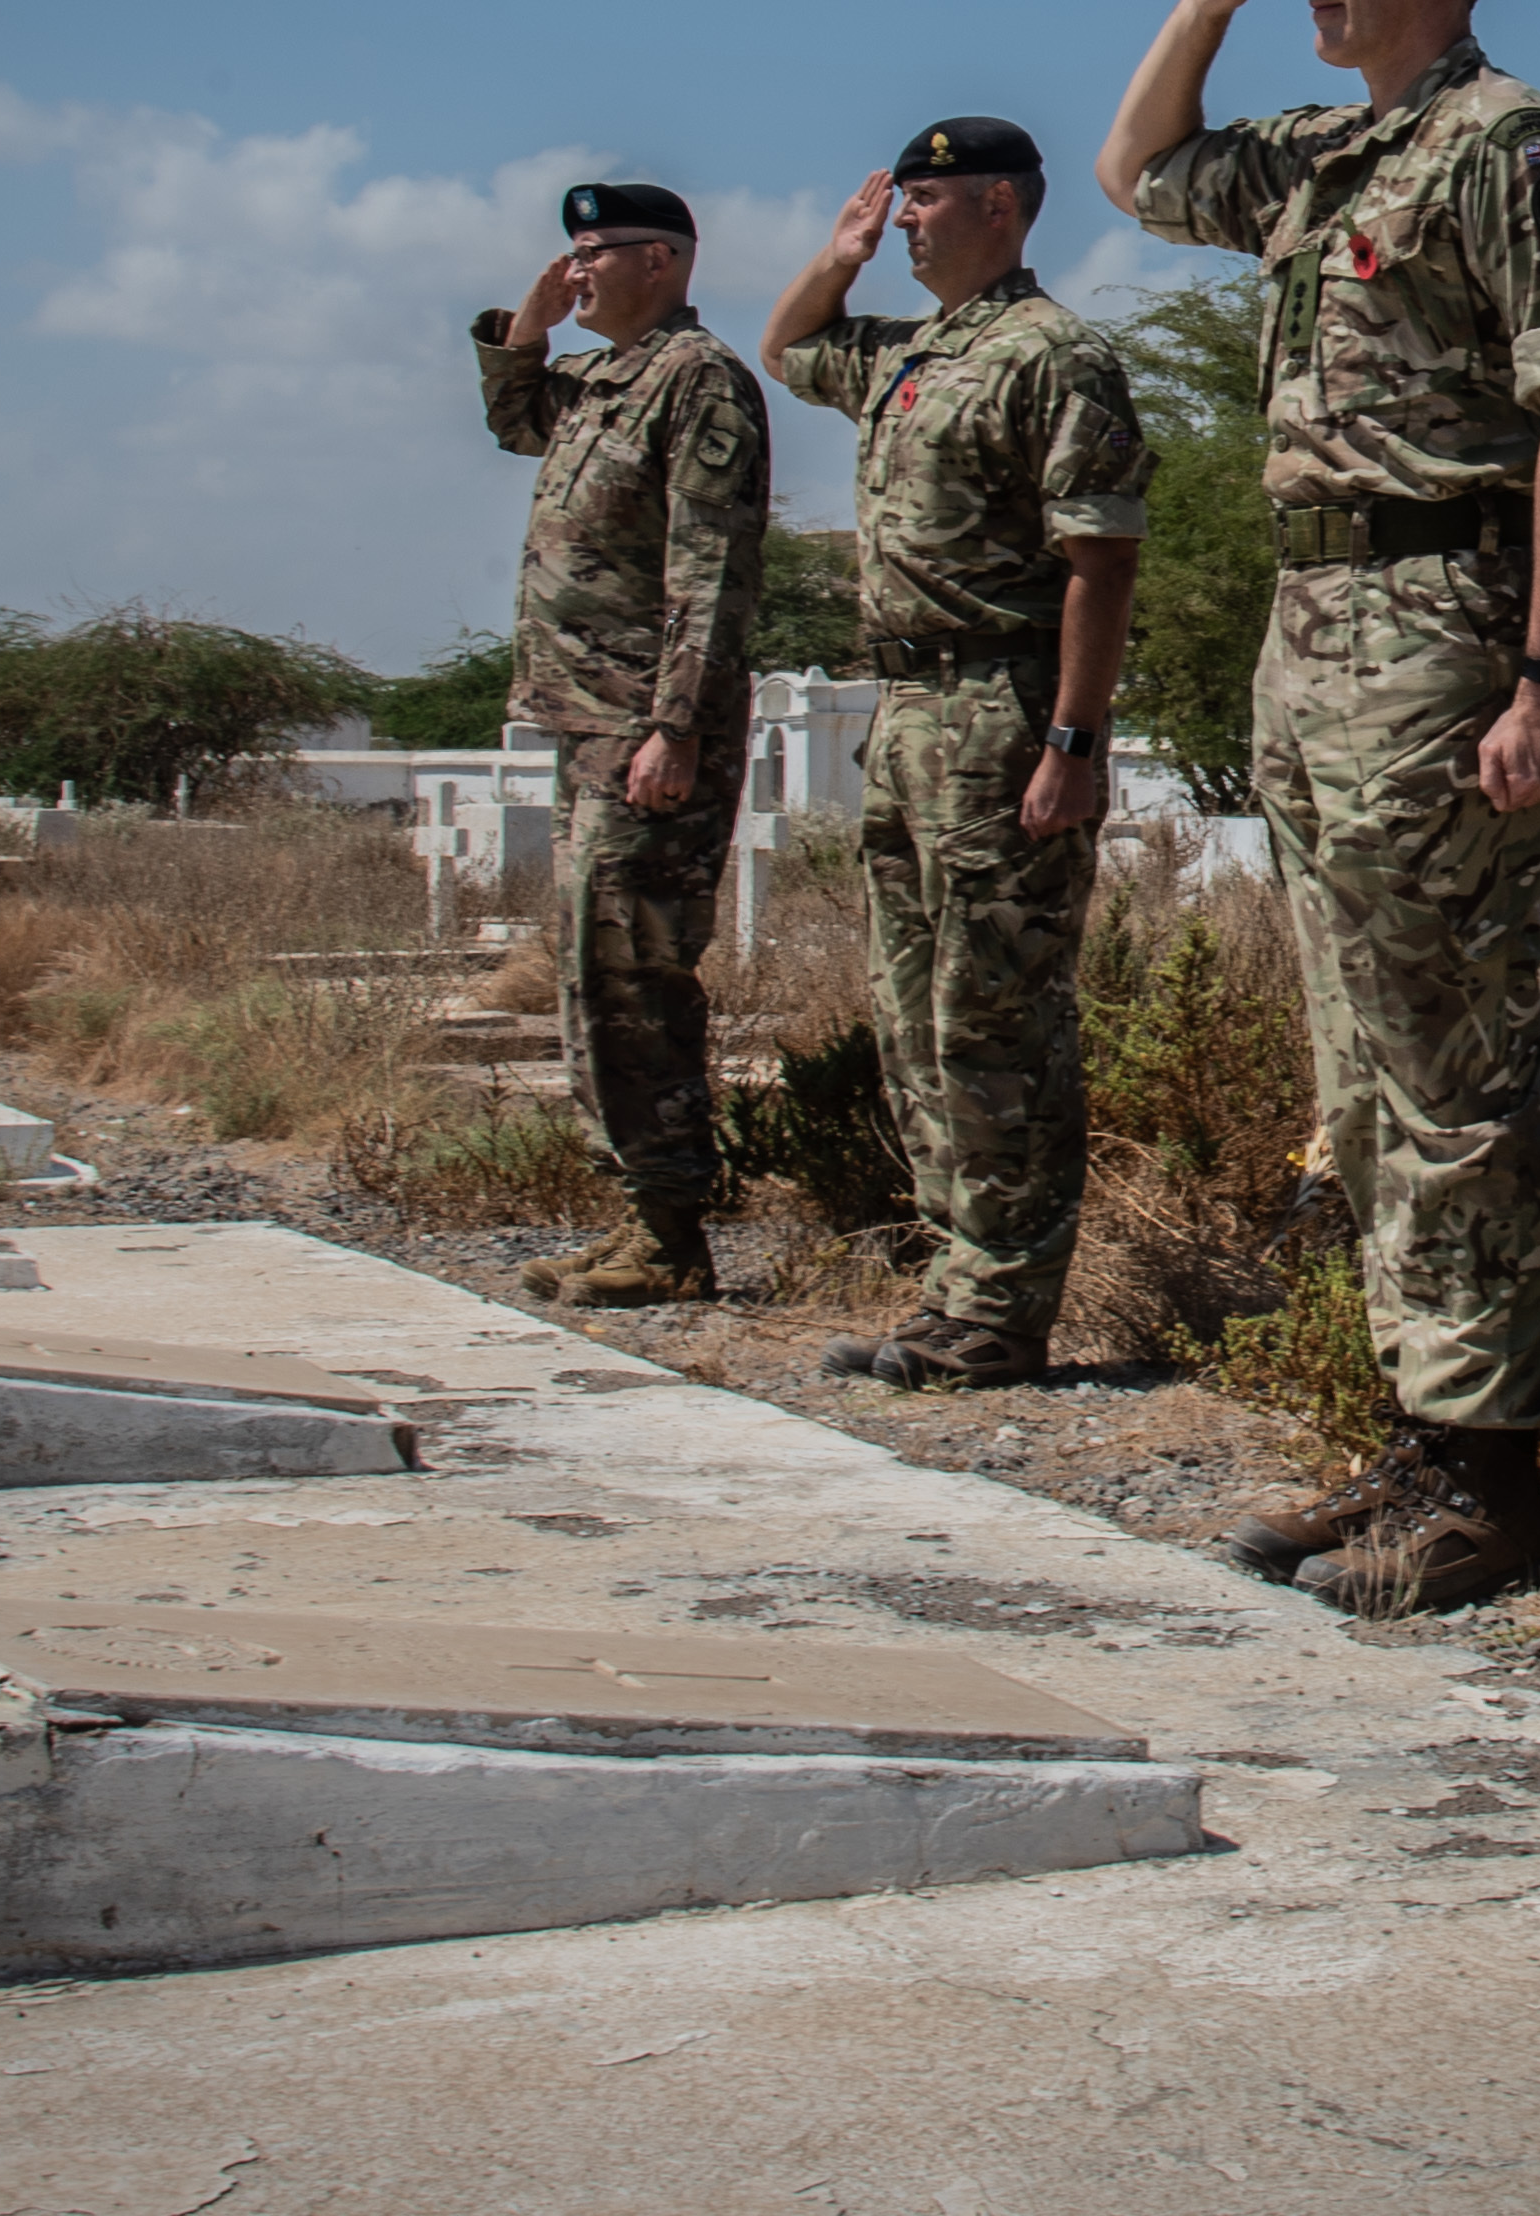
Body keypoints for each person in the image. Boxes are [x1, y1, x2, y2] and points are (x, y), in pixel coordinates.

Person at [1094, 0, 1540, 1615]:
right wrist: (1203, 4)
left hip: (1439, 624)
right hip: (1313, 628)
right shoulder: (1325, 153)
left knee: (1451, 1060)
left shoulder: (1511, 146)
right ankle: (1424, 1426)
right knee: (1360, 1064)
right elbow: (1137, 170)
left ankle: (1489, 1472)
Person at [759, 118, 1150, 1386]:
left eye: (925, 199)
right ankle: (953, 1283)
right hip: (907, 708)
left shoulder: (1053, 355)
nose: (906, 220)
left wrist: (1071, 738)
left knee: (996, 1012)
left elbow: (1100, 559)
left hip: (1001, 703)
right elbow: (787, 348)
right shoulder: (906, 352)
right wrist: (840, 255)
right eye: (901, 202)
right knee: (913, 1012)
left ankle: (1002, 1307)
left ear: (998, 204)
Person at [475, 182, 773, 1309]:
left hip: (647, 727)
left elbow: (710, 566)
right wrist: (532, 323)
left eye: (597, 252)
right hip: (588, 721)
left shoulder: (698, 379)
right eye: (570, 252)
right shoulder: (605, 380)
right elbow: (514, 419)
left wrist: (675, 727)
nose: (577, 268)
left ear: (663, 261)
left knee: (635, 974)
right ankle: (637, 1213)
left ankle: (671, 1230)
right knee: (591, 977)